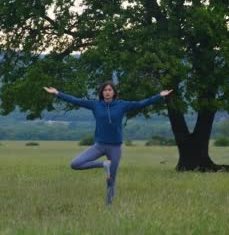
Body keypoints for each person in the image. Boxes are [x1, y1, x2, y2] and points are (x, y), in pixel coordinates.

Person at [43, 81, 172, 206]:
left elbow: (141, 103)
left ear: (114, 92)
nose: (107, 92)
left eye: (110, 90)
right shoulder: (95, 105)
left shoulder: (122, 105)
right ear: (102, 92)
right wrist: (57, 93)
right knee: (75, 164)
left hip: (115, 147)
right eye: (105, 90)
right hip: (99, 145)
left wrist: (159, 96)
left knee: (111, 180)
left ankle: (109, 206)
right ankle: (104, 164)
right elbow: (76, 100)